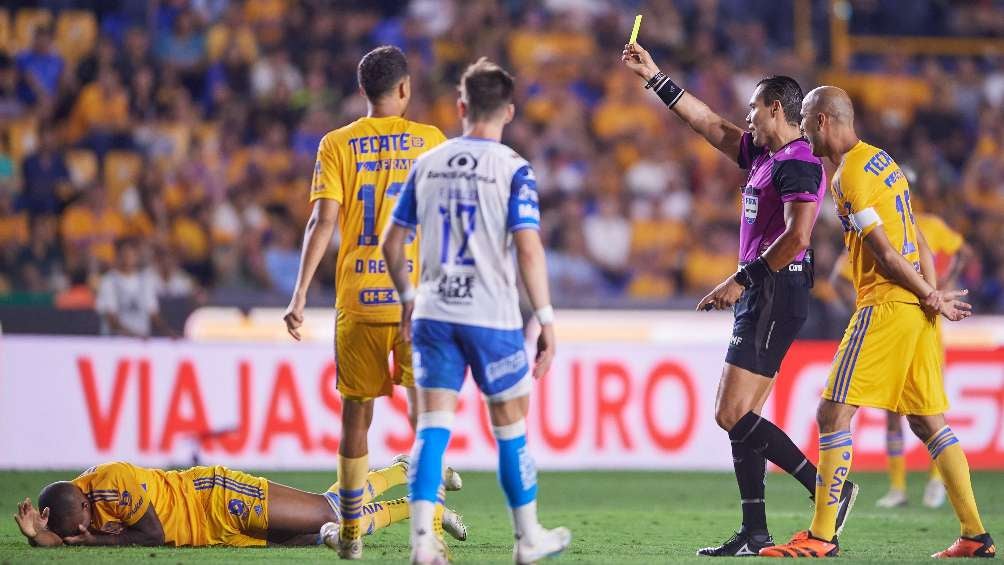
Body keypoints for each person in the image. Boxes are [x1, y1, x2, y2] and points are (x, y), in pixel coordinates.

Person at [620, 43, 856, 556]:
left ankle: (829, 492)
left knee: (731, 414)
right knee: (742, 417)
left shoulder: (798, 164)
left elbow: (797, 237)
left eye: (752, 107)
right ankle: (755, 531)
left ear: (776, 108)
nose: (745, 117)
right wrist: (655, 75)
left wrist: (741, 280)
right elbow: (709, 124)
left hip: (775, 289)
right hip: (768, 291)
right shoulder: (766, 156)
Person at [760, 86, 995, 558]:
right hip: (917, 310)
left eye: (805, 121)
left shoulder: (850, 177)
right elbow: (921, 244)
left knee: (832, 413)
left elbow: (886, 255)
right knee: (930, 423)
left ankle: (822, 537)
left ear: (823, 120)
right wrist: (930, 299)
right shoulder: (883, 162)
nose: (803, 131)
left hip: (887, 304)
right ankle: (975, 534)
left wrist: (928, 294)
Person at [382, 57, 571, 565]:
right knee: (511, 427)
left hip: (435, 314)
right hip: (492, 317)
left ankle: (423, 544)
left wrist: (407, 297)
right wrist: (548, 319)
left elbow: (391, 241)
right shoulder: (513, 169)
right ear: (508, 111)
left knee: (431, 430)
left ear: (461, 106)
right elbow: (529, 249)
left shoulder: (429, 163)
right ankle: (527, 539)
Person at [281, 45, 447, 560]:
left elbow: (322, 222)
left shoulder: (337, 144)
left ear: (362, 92)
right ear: (404, 88)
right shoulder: (430, 141)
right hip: (415, 305)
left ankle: (351, 532)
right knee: (427, 422)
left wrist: (301, 291)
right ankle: (429, 534)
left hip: (358, 300)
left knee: (356, 421)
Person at [831, 213, 974, 510]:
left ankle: (936, 481)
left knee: (927, 413)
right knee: (904, 412)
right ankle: (900, 487)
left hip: (908, 324)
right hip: (914, 324)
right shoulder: (910, 228)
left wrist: (939, 286)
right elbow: (838, 277)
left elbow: (959, 253)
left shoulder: (885, 229)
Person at [13, 457, 466, 548]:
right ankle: (424, 508)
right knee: (316, 536)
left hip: (217, 498)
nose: (87, 530)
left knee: (329, 511)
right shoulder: (74, 501)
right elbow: (65, 532)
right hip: (214, 534)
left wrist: (86, 544)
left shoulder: (114, 481)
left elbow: (149, 534)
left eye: (83, 528)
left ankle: (403, 473)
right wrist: (41, 535)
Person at [95, 238, 175, 338]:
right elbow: (111, 319)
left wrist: (167, 332)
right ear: (117, 256)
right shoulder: (109, 281)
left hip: (141, 341)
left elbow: (152, 313)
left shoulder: (145, 281)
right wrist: (133, 335)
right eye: (124, 254)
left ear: (137, 256)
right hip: (116, 342)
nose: (128, 258)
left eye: (132, 254)